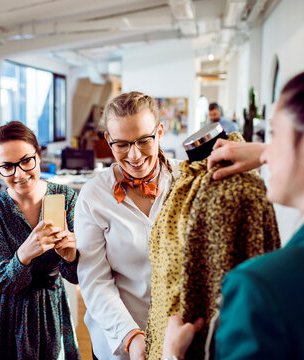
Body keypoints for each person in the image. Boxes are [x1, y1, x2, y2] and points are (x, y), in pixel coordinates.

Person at [162, 59, 304, 359]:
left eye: (273, 135)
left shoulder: (261, 289)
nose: (266, 152)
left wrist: (171, 356)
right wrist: (262, 153)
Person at [0, 121, 80, 359]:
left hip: (47, 301)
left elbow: (74, 277)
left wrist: (72, 256)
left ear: (39, 155)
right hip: (0, 308)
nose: (19, 173)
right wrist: (25, 254)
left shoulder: (65, 197)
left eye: (26, 161)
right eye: (7, 166)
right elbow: (2, 284)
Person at [75, 91, 181, 360]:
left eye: (144, 140)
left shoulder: (186, 182)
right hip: (120, 342)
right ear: (108, 140)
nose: (134, 155)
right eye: (121, 144)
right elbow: (95, 281)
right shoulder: (92, 196)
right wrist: (131, 336)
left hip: (179, 339)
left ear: (159, 131)